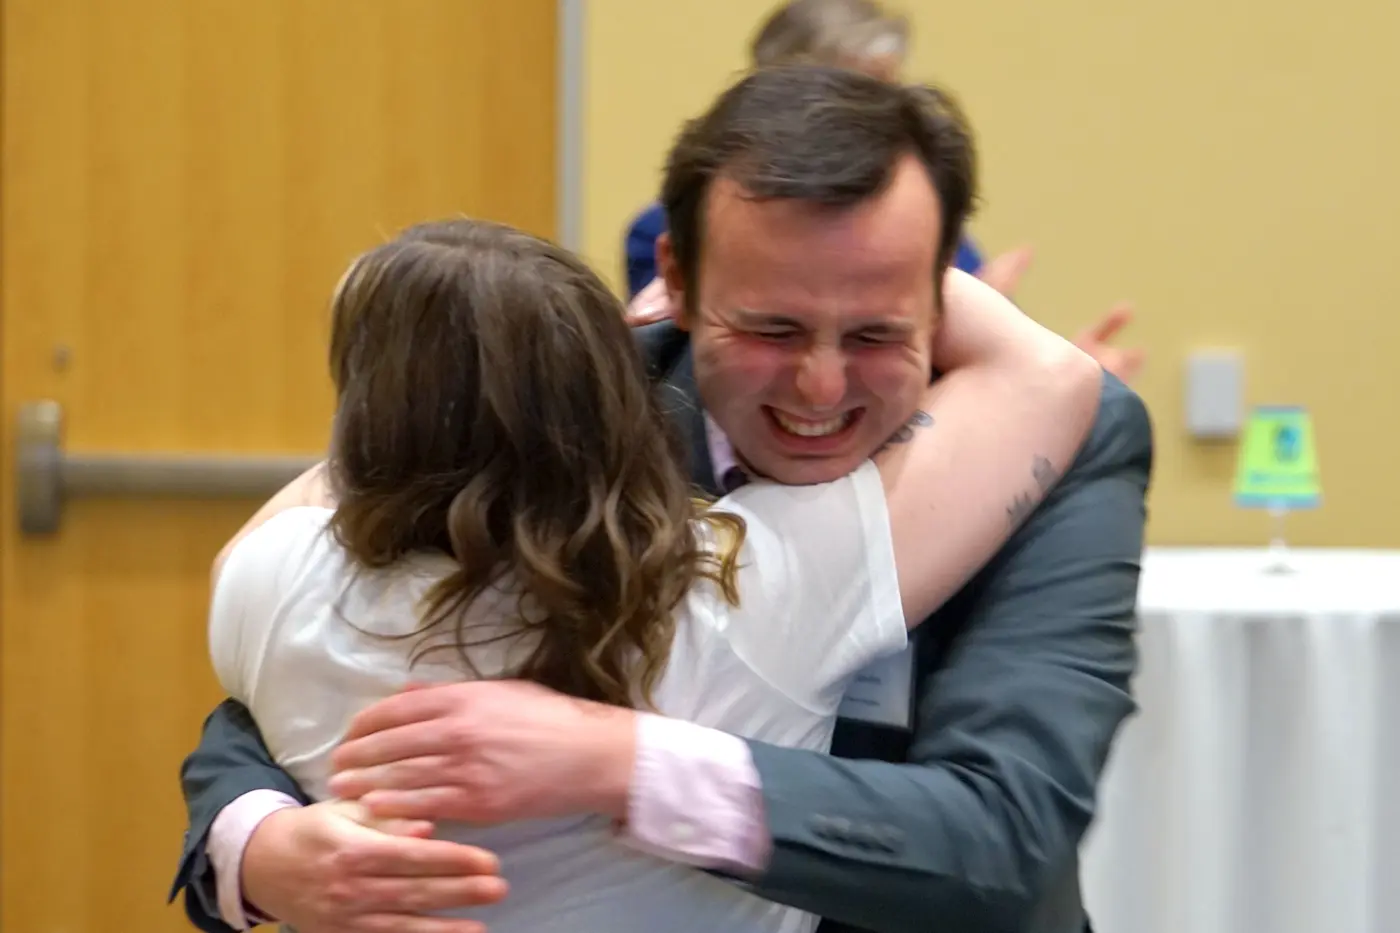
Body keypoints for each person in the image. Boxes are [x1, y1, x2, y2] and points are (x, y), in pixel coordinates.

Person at [173, 65, 1154, 933]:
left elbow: (1002, 836)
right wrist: (259, 845)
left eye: (874, 332)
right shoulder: (569, 398)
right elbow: (301, 670)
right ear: (676, 280)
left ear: (938, 295)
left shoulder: (1060, 441)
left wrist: (623, 762)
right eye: (771, 327)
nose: (820, 388)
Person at [623, 0, 1146, 384]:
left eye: (888, 88)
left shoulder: (925, 232)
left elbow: (972, 393)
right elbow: (700, 380)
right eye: (859, 91)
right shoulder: (671, 230)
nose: (883, 114)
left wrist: (1057, 374)